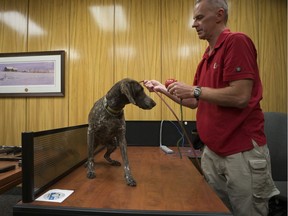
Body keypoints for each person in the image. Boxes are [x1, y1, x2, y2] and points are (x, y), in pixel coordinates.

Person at [143, 0, 280, 215]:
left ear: (219, 15)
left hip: (241, 154)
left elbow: (240, 96)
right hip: (212, 153)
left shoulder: (237, 42)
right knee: (216, 210)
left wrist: (195, 90)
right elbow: (194, 101)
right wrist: (162, 89)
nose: (194, 24)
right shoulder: (206, 57)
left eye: (199, 18)